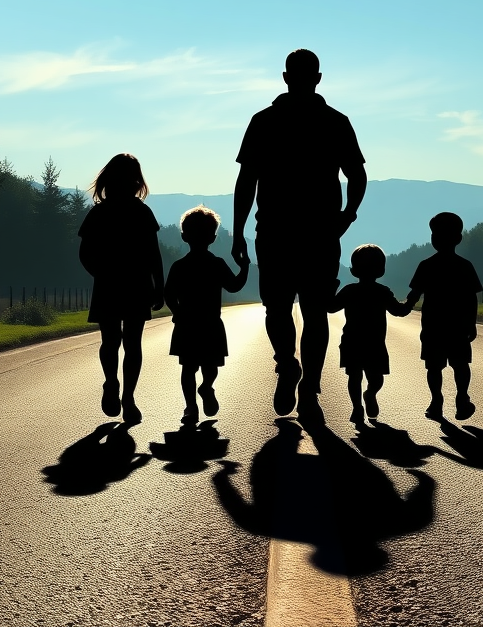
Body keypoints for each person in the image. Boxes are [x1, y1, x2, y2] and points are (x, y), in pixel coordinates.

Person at [232, 49, 367, 422]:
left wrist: (240, 230)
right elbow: (356, 175)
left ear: (285, 77)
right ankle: (308, 385)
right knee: (314, 311)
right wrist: (347, 216)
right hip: (320, 232)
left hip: (273, 231)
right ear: (318, 78)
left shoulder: (264, 121)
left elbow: (246, 181)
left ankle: (287, 365)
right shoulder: (335, 122)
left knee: (276, 308)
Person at [77, 153, 165, 426]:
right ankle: (127, 397)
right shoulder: (142, 212)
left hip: (109, 285)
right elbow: (154, 254)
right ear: (136, 180)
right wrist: (158, 286)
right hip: (138, 284)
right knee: (132, 343)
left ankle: (112, 384)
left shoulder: (99, 212)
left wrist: (100, 273)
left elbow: (84, 253)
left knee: (110, 340)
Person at [164, 206, 250, 425]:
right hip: (210, 324)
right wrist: (244, 267)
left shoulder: (180, 266)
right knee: (208, 366)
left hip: (187, 325)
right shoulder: (216, 264)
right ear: (213, 237)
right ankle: (199, 396)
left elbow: (169, 295)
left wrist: (177, 312)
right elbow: (234, 286)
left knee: (189, 368)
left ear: (184, 236)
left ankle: (195, 401)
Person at [404, 211, 482, 420]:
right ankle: (462, 397)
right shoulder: (464, 266)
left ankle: (436, 400)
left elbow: (415, 293)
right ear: (458, 238)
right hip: (458, 325)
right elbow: (472, 298)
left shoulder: (426, 265)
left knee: (433, 366)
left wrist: (405, 306)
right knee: (460, 364)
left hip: (433, 325)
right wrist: (471, 323)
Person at [328, 244, 410, 427]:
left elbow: (330, 307)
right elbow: (399, 311)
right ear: (381, 270)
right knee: (374, 377)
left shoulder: (349, 291)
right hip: (374, 343)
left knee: (354, 377)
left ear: (353, 270)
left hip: (352, 341)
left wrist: (331, 286)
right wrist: (412, 298)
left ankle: (360, 404)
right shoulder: (382, 292)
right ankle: (365, 399)